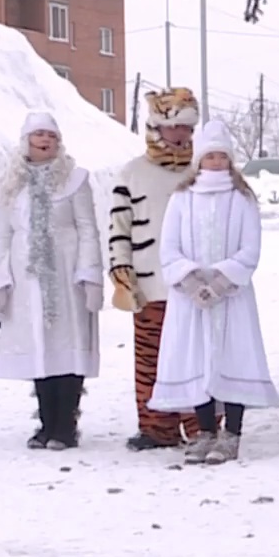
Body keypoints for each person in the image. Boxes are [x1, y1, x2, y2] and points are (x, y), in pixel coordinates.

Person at [151, 119, 279, 465]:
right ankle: (205, 430)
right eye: (211, 156)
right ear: (200, 159)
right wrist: (191, 282)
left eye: (222, 156)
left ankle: (232, 433)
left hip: (231, 297)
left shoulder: (242, 198)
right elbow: (170, 248)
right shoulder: (182, 198)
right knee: (198, 359)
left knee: (231, 357)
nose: (216, 162)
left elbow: (250, 248)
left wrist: (222, 282)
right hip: (191, 299)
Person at [0, 112, 103, 450]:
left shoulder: (75, 179)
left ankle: (66, 424)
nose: (45, 141)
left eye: (51, 136)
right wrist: (0, 279)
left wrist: (88, 273)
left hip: (65, 274)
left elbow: (87, 229)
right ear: (26, 140)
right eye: (38, 135)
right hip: (27, 278)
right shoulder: (12, 182)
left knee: (66, 347)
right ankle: (45, 422)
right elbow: (3, 235)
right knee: (38, 348)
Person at [109, 87, 203, 452]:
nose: (179, 135)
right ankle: (156, 427)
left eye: (186, 128)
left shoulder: (203, 170)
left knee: (197, 356)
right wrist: (121, 269)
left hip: (195, 284)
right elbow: (119, 226)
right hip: (150, 282)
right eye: (172, 127)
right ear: (156, 127)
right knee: (151, 359)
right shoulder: (132, 172)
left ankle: (203, 425)